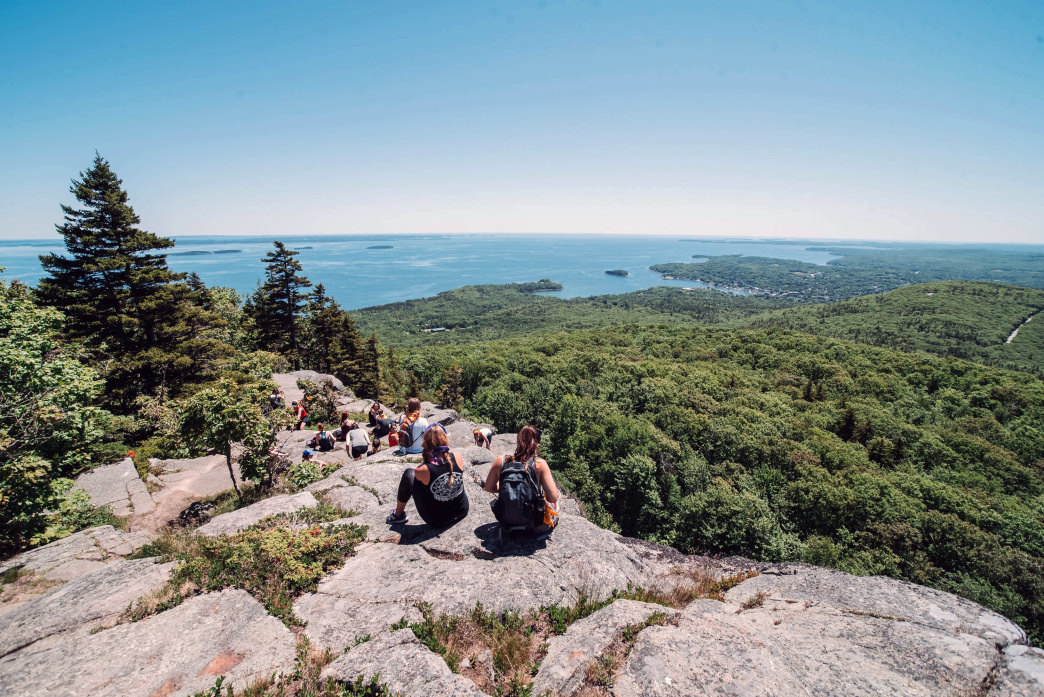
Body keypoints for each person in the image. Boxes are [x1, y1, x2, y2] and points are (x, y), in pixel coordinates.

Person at [386, 423, 469, 527]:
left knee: (409, 474)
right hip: (462, 511)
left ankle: (398, 515)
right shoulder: (458, 456)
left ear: (425, 443)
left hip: (437, 520)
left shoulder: (422, 469)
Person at [484, 425, 560, 537]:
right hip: (532, 523)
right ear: (537, 445)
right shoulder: (539, 464)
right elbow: (552, 497)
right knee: (557, 498)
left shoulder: (501, 461)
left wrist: (509, 490)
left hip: (506, 520)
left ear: (517, 442)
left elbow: (489, 487)